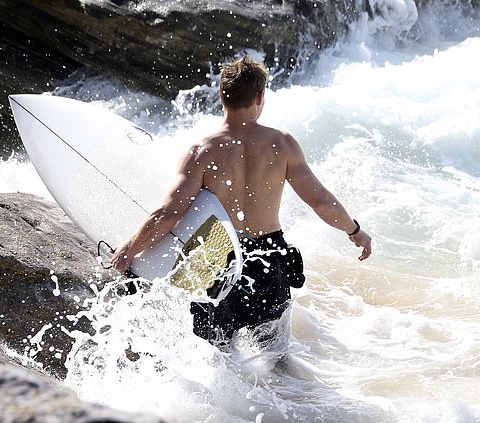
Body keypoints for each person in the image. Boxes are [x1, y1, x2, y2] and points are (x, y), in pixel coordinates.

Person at [111, 56, 371, 346]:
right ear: (260, 96)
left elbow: (169, 214)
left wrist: (130, 250)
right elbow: (320, 200)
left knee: (218, 360)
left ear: (222, 95)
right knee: (275, 360)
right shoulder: (282, 144)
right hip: (270, 259)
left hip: (219, 261)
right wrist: (355, 231)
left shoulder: (202, 152)